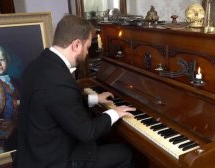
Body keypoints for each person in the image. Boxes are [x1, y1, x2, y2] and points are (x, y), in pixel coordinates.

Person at [14, 15, 136, 168]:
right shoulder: (59, 81)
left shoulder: (38, 64)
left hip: (34, 152)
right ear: (76, 45)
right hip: (52, 161)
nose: (86, 53)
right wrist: (114, 113)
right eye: (87, 48)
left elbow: (58, 105)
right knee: (124, 153)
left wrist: (94, 99)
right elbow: (87, 132)